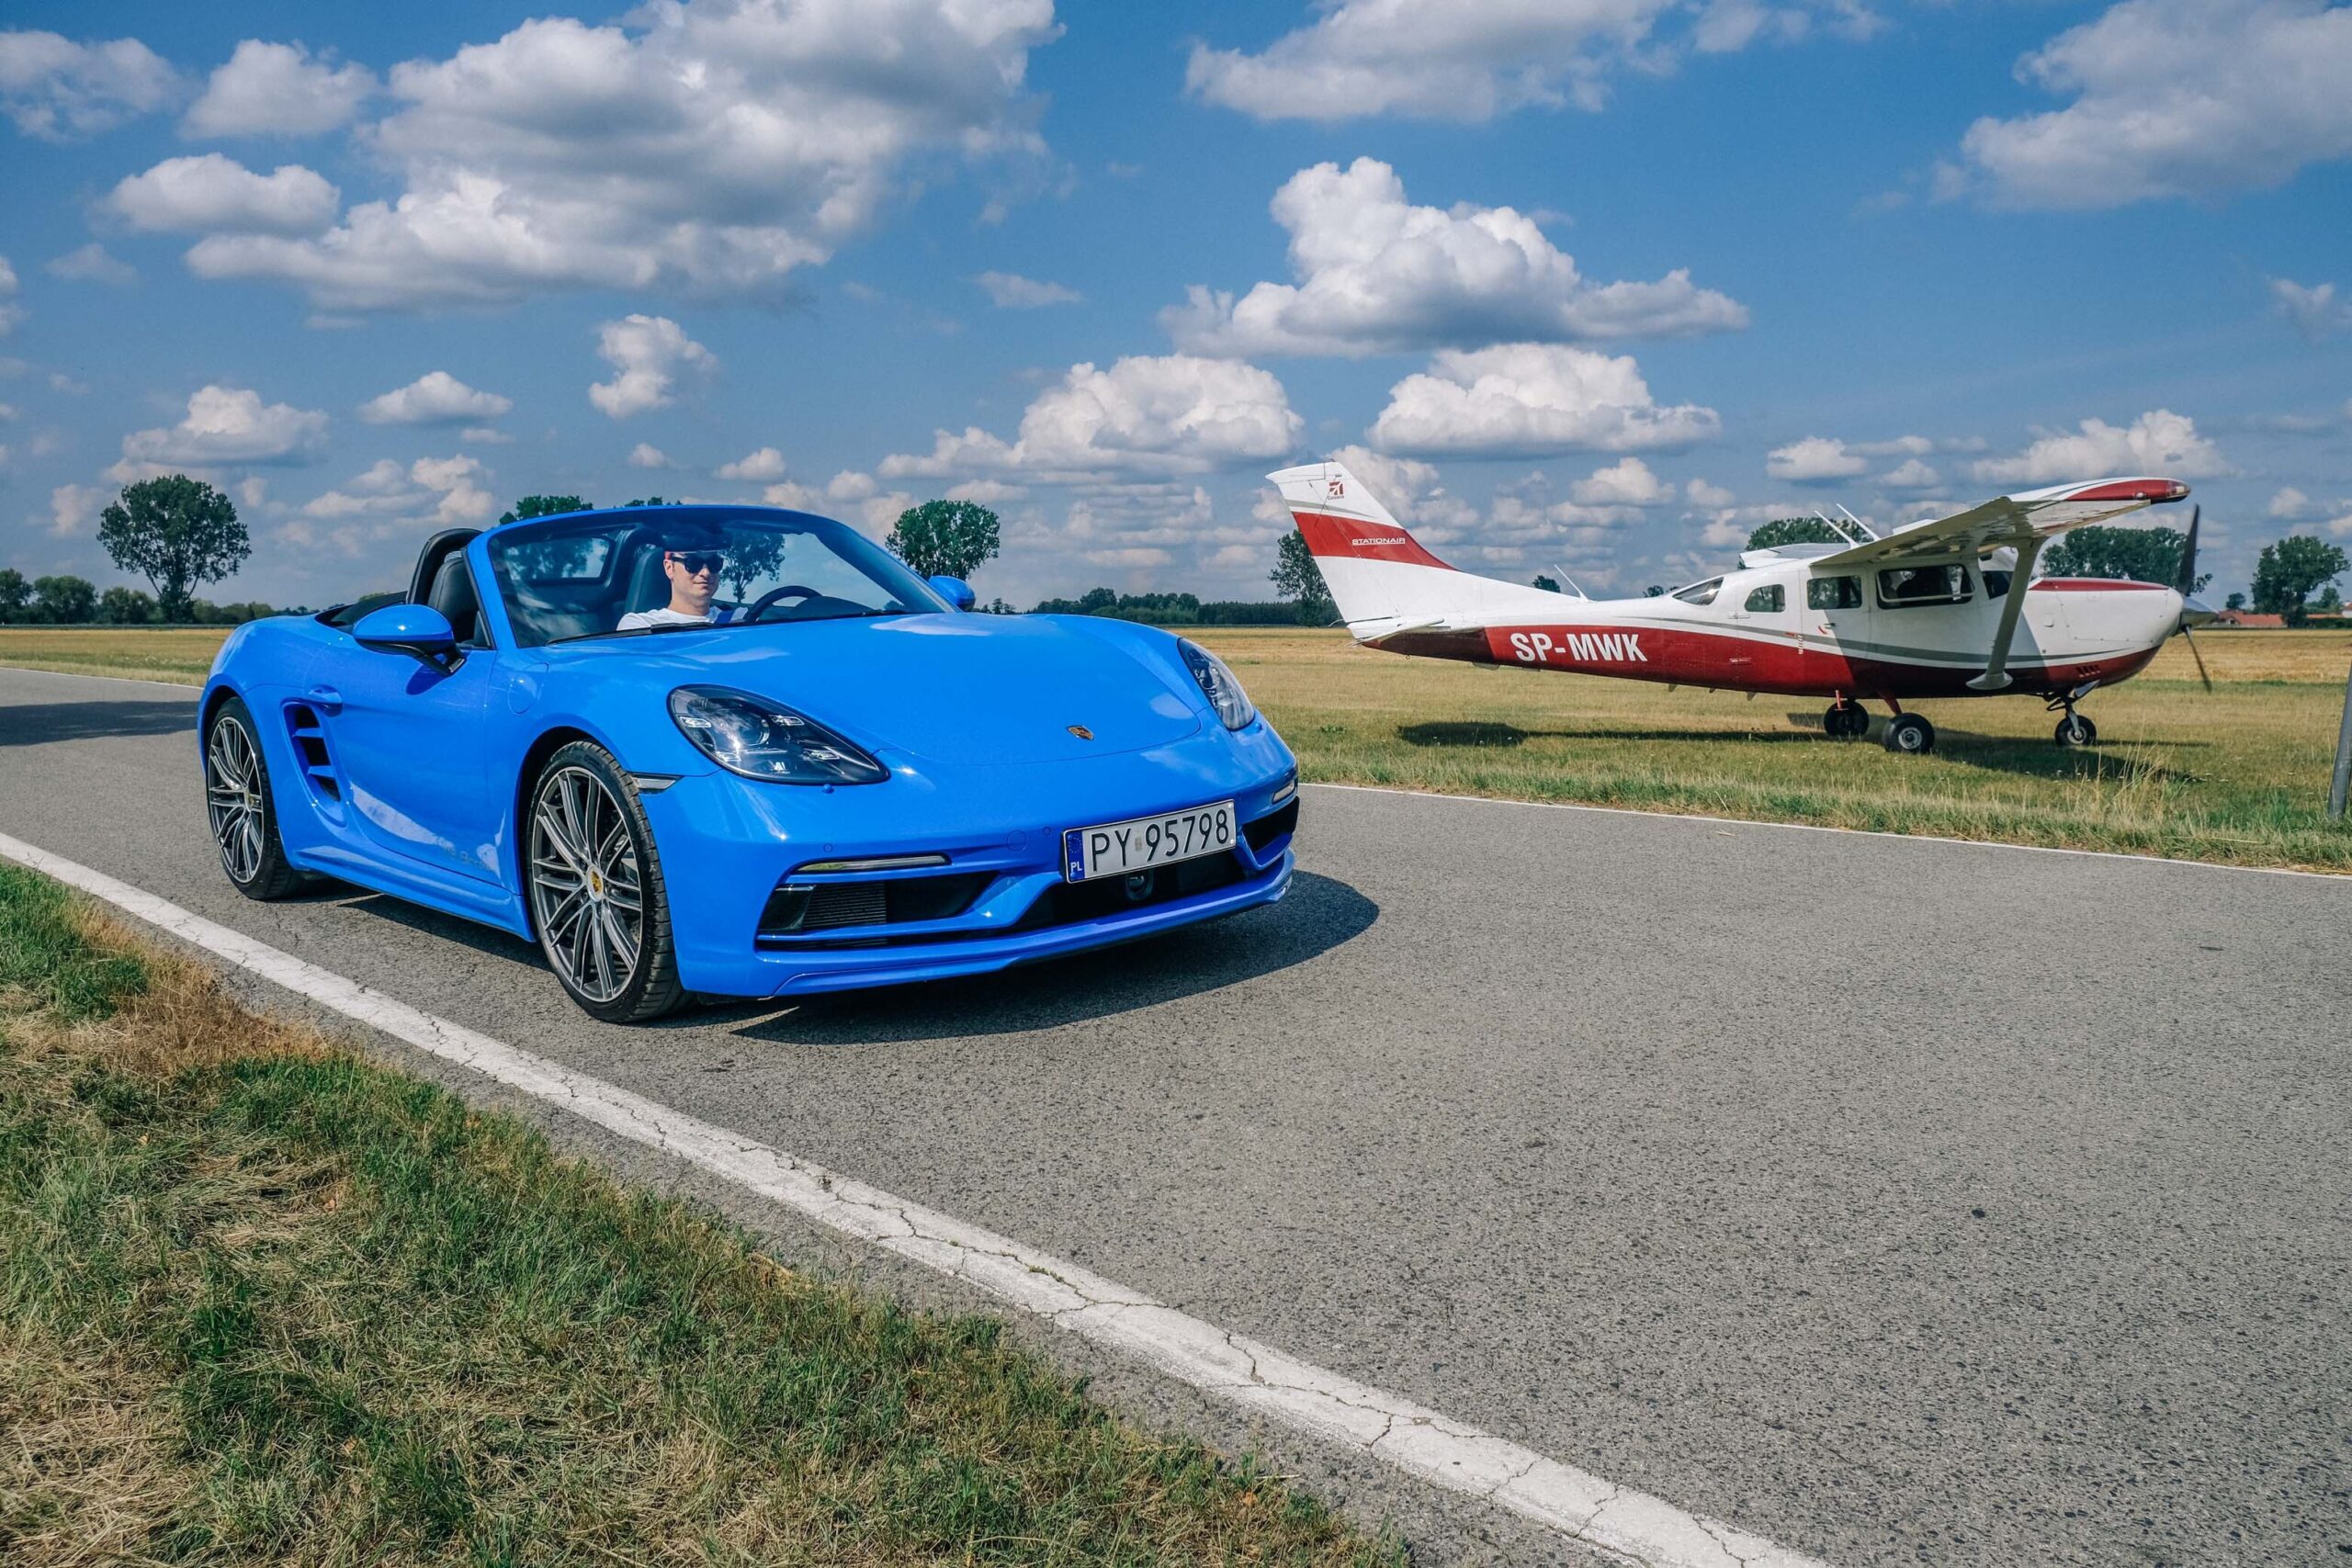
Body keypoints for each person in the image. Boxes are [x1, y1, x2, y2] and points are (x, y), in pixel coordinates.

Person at [619, 546, 732, 630]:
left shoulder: (739, 619)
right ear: (669, 568)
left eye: (714, 563)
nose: (706, 572)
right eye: (693, 563)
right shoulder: (641, 626)